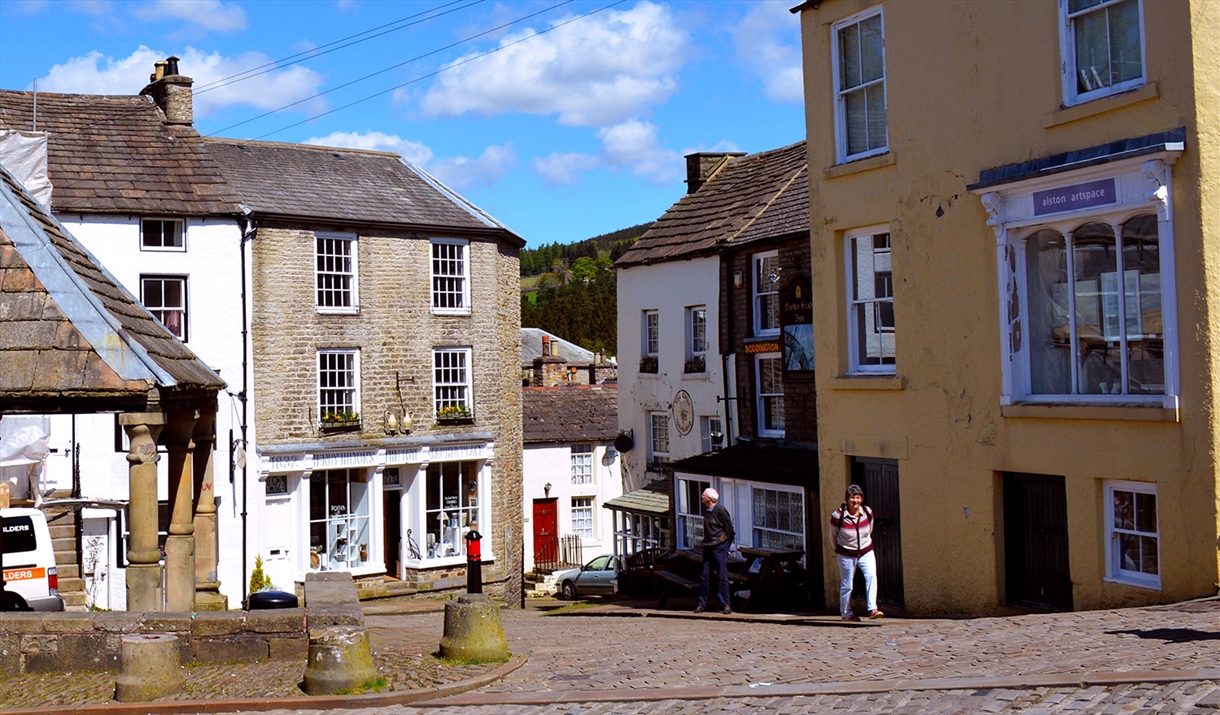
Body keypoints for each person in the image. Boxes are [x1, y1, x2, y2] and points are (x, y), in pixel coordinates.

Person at [829, 484, 883, 621]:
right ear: (847, 499)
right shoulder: (838, 516)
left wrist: (864, 545)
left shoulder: (867, 512)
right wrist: (839, 550)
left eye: (858, 498)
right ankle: (846, 613)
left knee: (871, 576)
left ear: (862, 499)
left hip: (866, 550)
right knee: (847, 584)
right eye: (852, 498)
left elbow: (869, 530)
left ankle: (872, 609)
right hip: (846, 553)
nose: (855, 501)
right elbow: (832, 536)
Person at [695, 487, 735, 614]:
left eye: (703, 495)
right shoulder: (706, 510)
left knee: (721, 576)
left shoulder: (721, 511)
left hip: (719, 546)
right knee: (705, 576)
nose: (701, 497)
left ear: (709, 499)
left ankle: (726, 604)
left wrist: (726, 548)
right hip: (708, 546)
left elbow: (730, 530)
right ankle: (702, 604)